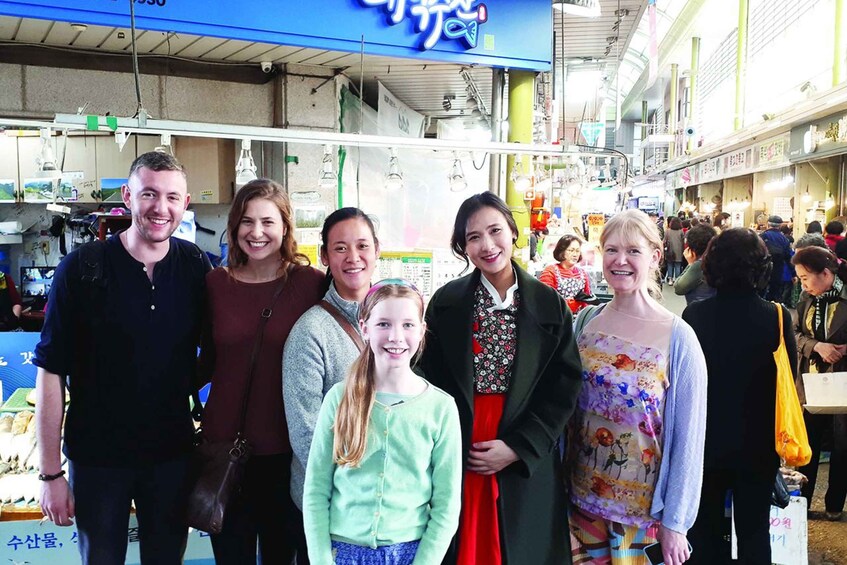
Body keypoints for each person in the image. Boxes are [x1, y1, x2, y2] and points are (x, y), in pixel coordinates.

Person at [34, 152, 211, 564]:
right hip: (97, 460)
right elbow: (50, 373)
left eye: (172, 197)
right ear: (128, 197)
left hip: (171, 456)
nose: (160, 208)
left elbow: (225, 343)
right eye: (149, 193)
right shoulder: (82, 269)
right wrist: (50, 474)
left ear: (185, 205)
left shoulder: (194, 267)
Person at [420, 192, 583, 565]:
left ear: (513, 232)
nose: (487, 245)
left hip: (524, 448)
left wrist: (518, 447)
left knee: (521, 548)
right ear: (463, 247)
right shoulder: (446, 303)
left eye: (495, 230)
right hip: (461, 447)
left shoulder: (548, 304)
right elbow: (428, 379)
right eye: (473, 237)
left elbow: (564, 387)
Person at [568, 209, 707, 565]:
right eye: (611, 250)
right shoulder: (586, 322)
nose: (620, 260)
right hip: (579, 505)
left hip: (644, 518)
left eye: (633, 251)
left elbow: (689, 438)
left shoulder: (679, 338)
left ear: (656, 256)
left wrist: (676, 522)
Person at [198, 179, 324, 563]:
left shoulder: (311, 283)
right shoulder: (215, 284)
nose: (257, 233)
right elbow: (202, 359)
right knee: (230, 555)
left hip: (290, 451)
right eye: (247, 222)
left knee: (282, 556)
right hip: (224, 450)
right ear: (234, 227)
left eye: (268, 222)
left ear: (285, 227)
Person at [303, 280, 462, 564]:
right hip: (343, 552)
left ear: (422, 330)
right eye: (384, 324)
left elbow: (446, 506)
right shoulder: (339, 398)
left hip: (410, 553)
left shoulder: (441, 408)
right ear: (365, 328)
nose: (396, 337)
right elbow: (316, 490)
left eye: (408, 325)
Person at [684, 228, 798, 564]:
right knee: (754, 532)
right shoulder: (777, 317)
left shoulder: (694, 316)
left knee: (702, 530)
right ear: (761, 267)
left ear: (711, 267)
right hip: (758, 444)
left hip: (705, 442)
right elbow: (786, 379)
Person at [283, 207, 381, 559]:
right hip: (331, 504)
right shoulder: (310, 332)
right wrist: (354, 489)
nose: (353, 257)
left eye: (362, 246)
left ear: (377, 250)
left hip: (388, 508)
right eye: (340, 248)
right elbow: (306, 432)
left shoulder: (400, 320)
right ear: (324, 255)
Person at [792, 246, 847, 521]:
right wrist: (816, 346)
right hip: (811, 383)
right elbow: (795, 333)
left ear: (826, 273)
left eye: (805, 277)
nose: (802, 283)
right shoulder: (805, 299)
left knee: (842, 446)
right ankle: (801, 502)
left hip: (843, 384)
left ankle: (835, 504)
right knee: (807, 445)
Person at [539, 234, 592, 313]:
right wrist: (569, 304)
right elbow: (545, 300)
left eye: (577, 251)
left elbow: (587, 300)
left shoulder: (582, 273)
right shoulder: (550, 271)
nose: (575, 254)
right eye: (571, 250)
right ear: (562, 251)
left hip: (578, 320)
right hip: (557, 318)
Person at [674, 224, 717, 305]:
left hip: (700, 311)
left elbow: (679, 288)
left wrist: (690, 264)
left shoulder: (699, 265)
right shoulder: (717, 260)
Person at [760, 215, 793, 302]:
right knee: (775, 295)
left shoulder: (762, 236)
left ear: (768, 224)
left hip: (763, 269)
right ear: (780, 226)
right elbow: (788, 257)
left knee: (762, 294)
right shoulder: (784, 239)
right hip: (778, 270)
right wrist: (793, 273)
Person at [663, 216, 684, 286]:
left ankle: (670, 280)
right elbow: (683, 241)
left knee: (670, 265)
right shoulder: (681, 231)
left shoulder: (667, 231)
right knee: (677, 265)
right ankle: (677, 280)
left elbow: (664, 241)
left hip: (670, 250)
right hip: (679, 251)